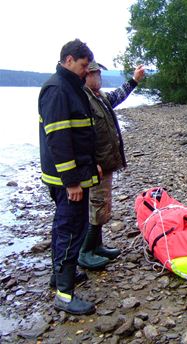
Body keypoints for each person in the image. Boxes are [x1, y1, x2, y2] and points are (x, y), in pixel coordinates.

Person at [39, 39, 99, 315]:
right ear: (68, 60)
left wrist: (92, 165)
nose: (86, 72)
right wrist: (73, 181)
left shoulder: (70, 87)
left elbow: (81, 135)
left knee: (66, 226)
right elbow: (59, 139)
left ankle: (59, 277)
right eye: (83, 66)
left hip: (75, 173)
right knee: (70, 229)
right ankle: (64, 294)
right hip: (66, 180)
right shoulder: (58, 89)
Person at [78, 61, 145, 269]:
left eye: (99, 73)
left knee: (104, 204)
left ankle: (97, 247)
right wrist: (91, 162)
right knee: (97, 205)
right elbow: (81, 137)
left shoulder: (100, 97)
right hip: (96, 166)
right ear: (85, 76)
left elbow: (118, 95)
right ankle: (85, 252)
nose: (98, 76)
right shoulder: (83, 100)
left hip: (105, 163)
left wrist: (134, 80)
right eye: (94, 73)